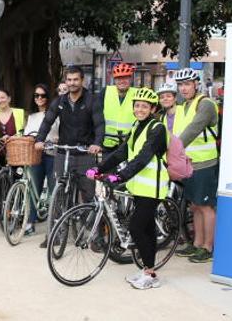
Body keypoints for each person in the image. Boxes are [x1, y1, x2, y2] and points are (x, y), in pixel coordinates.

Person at [89, 87, 169, 289]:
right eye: (137, 106)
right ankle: (147, 271)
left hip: (153, 186)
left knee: (136, 227)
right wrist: (99, 168)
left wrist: (120, 176)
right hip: (139, 186)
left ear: (152, 109)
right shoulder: (136, 126)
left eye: (144, 106)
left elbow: (143, 157)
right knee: (147, 228)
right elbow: (121, 153)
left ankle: (150, 275)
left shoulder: (157, 129)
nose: (140, 109)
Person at [34, 66, 104, 247]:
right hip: (63, 152)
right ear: (65, 81)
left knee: (89, 196)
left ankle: (96, 236)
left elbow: (99, 125)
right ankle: (55, 235)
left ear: (82, 81)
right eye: (69, 80)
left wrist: (97, 143)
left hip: (84, 154)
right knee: (58, 195)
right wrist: (39, 140)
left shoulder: (92, 100)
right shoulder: (59, 101)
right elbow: (47, 121)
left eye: (75, 80)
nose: (72, 83)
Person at [172, 68, 219, 264]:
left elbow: (192, 130)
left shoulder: (205, 104)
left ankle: (208, 247)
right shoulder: (183, 106)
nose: (183, 88)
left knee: (206, 206)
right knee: (194, 205)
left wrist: (172, 150)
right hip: (188, 164)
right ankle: (197, 243)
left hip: (205, 163)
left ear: (196, 84)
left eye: (187, 84)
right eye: (181, 85)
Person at [0, 89, 26, 227]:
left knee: (17, 181)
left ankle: (17, 213)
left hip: (16, 151)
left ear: (9, 98)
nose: (0, 100)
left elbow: (26, 130)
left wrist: (16, 137)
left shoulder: (19, 113)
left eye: (3, 97)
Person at [23, 83, 58, 233]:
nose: (39, 98)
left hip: (52, 154)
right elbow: (27, 134)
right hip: (35, 155)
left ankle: (56, 223)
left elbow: (59, 133)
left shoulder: (55, 114)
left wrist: (57, 139)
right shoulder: (31, 116)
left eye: (42, 95)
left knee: (54, 189)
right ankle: (30, 222)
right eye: (36, 95)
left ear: (48, 97)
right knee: (33, 189)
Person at [100, 63, 137, 151]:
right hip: (108, 144)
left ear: (131, 79)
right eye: (118, 78)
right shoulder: (105, 92)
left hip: (130, 143)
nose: (122, 81)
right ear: (114, 79)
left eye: (125, 78)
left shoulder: (138, 94)